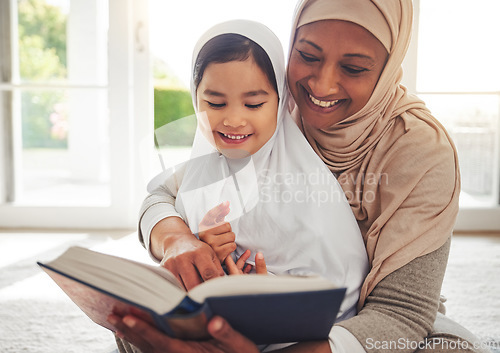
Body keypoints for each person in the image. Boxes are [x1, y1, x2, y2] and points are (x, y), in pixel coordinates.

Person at [110, 0, 493, 352]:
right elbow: (165, 192)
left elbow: (402, 313)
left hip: (365, 322)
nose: (321, 86)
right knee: (136, 326)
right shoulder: (265, 105)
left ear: (390, 64)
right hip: (241, 309)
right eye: (307, 56)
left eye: (354, 68)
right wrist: (177, 240)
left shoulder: (420, 149)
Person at [110, 18, 369, 353]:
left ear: (280, 101)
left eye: (253, 104)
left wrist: (268, 294)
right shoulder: (201, 168)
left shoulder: (306, 182)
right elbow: (158, 198)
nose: (233, 119)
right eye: (215, 103)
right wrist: (206, 251)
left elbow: (341, 289)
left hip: (289, 333)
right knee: (131, 328)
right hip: (212, 319)